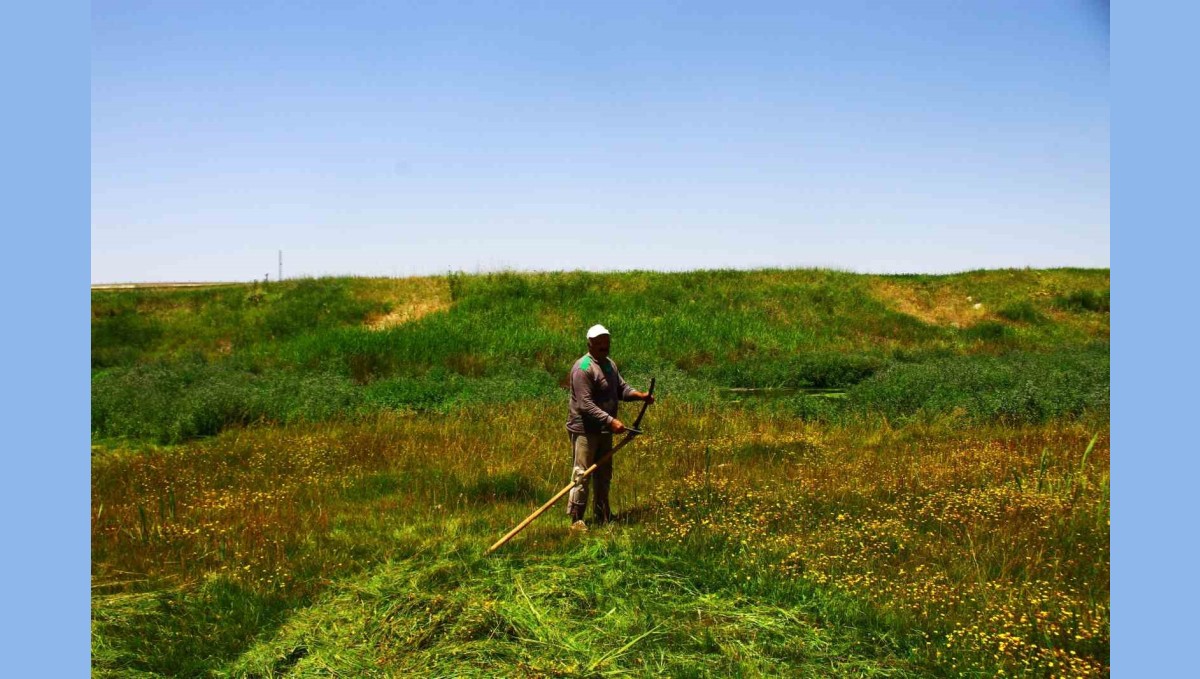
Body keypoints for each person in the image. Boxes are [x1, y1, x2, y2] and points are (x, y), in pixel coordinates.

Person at [565, 324, 654, 531]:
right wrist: (610, 421)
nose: (604, 346)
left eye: (606, 342)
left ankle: (602, 513)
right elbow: (585, 404)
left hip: (605, 430)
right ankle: (576, 519)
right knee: (582, 474)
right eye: (599, 342)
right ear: (590, 344)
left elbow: (621, 389)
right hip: (585, 430)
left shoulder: (609, 365)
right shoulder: (583, 368)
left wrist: (640, 396)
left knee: (604, 473)